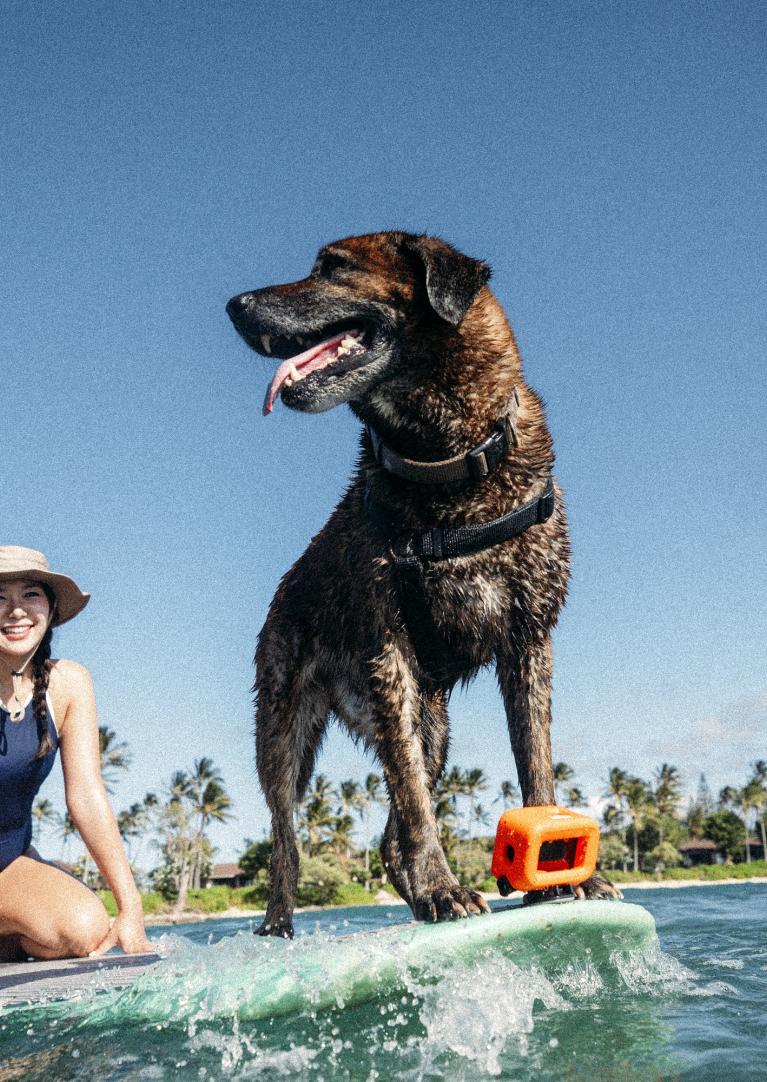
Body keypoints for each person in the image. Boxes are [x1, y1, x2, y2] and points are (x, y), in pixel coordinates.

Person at [0, 546, 151, 961]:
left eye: (30, 594)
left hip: (9, 862)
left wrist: (130, 906)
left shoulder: (68, 684)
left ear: (49, 607)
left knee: (86, 929)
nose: (15, 611)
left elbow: (86, 795)